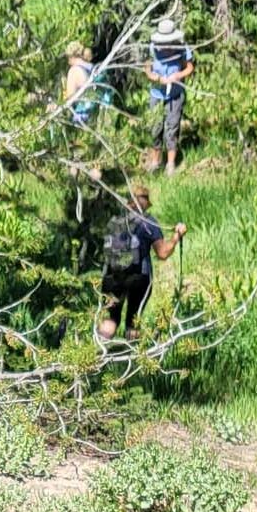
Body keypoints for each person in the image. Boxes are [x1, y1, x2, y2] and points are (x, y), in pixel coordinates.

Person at [98, 185, 185, 342]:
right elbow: (163, 253)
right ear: (144, 202)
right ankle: (130, 356)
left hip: (113, 277)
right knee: (133, 318)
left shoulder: (114, 219)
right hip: (140, 278)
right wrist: (176, 237)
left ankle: (99, 353)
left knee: (112, 317)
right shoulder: (148, 222)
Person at [146, 17, 194, 174]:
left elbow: (189, 68)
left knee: (171, 128)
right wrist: (159, 79)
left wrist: (178, 75)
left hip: (175, 95)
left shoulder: (181, 48)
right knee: (155, 128)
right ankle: (155, 161)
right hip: (157, 94)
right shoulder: (153, 48)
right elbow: (147, 70)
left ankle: (171, 164)